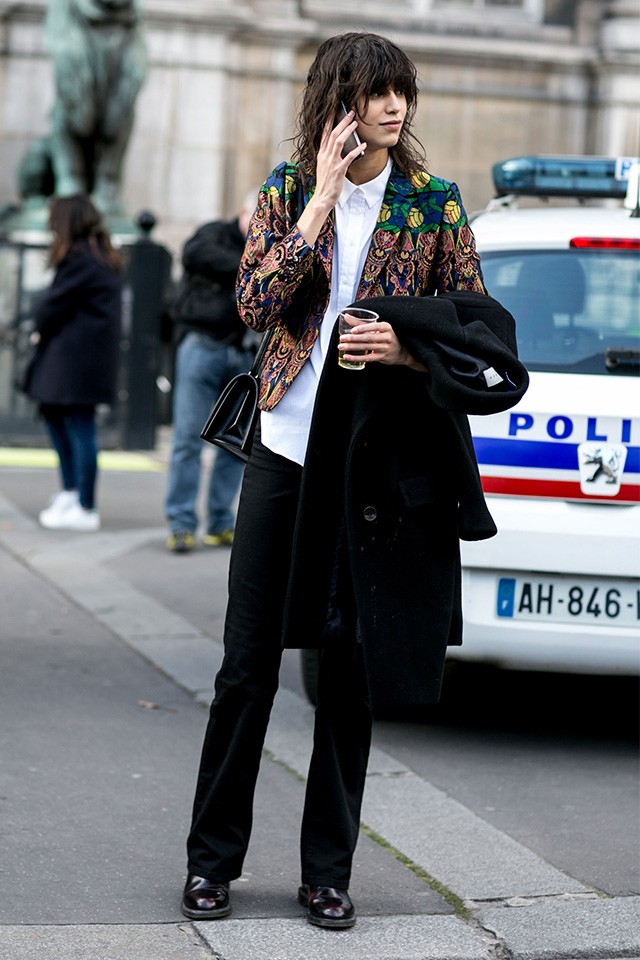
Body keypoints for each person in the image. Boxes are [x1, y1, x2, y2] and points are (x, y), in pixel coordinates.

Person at [181, 31, 527, 929]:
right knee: (247, 668)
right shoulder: (287, 189)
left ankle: (326, 875)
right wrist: (322, 200)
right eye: (377, 92)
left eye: (401, 91)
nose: (394, 106)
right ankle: (211, 864)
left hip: (372, 467)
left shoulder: (432, 204)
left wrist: (407, 349)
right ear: (338, 101)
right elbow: (254, 305)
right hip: (285, 453)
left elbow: (479, 330)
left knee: (349, 672)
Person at [164, 191, 257, 554]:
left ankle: (220, 521)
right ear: (242, 212)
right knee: (187, 438)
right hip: (203, 346)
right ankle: (181, 523)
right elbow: (194, 254)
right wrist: (251, 267)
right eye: (256, 216)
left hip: (243, 352)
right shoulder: (214, 233)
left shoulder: (270, 243)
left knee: (234, 442)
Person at [28, 194, 122, 532]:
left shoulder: (83, 258)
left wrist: (37, 327)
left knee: (80, 427)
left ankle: (85, 505)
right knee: (59, 418)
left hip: (75, 360)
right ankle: (71, 493)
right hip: (76, 359)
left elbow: (53, 304)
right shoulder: (97, 255)